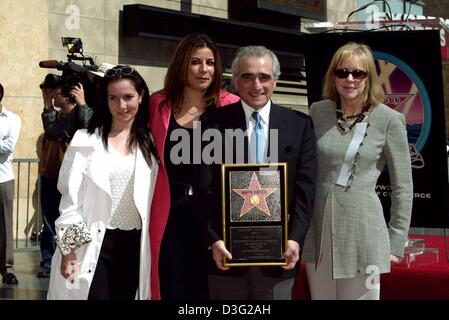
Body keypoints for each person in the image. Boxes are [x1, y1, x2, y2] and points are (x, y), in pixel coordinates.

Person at [202, 45, 317, 300]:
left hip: (280, 256)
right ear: (235, 81)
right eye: (247, 76)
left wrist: (295, 239)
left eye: (264, 77)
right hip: (226, 255)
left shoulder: (299, 125)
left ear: (275, 81)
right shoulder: (212, 124)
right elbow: (204, 190)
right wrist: (214, 240)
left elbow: (305, 191)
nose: (256, 85)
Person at [302, 42, 413, 300]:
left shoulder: (389, 120)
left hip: (364, 234)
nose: (349, 79)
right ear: (333, 77)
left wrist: (396, 240)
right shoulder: (318, 112)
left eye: (358, 73)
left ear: (369, 78)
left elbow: (403, 187)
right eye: (342, 73)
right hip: (319, 231)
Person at [47, 65, 159, 300]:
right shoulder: (85, 140)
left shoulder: (150, 143)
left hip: (134, 247)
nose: (122, 106)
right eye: (113, 98)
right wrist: (69, 251)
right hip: (91, 245)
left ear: (141, 97)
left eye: (128, 97)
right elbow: (69, 200)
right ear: (105, 101)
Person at [149, 33, 240, 300]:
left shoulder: (231, 105)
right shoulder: (158, 104)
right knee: (172, 284)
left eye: (210, 63)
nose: (204, 70)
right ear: (181, 65)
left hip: (215, 215)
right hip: (170, 212)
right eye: (195, 62)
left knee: (213, 287)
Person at [37, 77, 93, 278]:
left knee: (72, 218)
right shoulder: (58, 116)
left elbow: (89, 127)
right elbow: (53, 132)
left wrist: (83, 104)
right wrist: (47, 105)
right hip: (53, 175)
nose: (53, 95)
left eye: (56, 92)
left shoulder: (81, 114)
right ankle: (49, 262)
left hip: (74, 179)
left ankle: (73, 262)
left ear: (68, 94)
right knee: (49, 220)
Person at [0, 82, 21, 285]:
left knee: (5, 225)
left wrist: (4, 143)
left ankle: (7, 268)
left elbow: (8, 146)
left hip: (3, 179)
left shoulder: (12, 119)